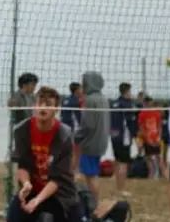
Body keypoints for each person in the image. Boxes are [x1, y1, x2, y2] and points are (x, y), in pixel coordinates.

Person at [9, 86, 80, 222]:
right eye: (39, 103)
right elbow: (23, 165)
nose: (43, 108)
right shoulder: (22, 130)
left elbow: (58, 179)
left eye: (48, 104)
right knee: (14, 214)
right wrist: (26, 184)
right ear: (34, 106)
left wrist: (37, 201)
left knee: (75, 215)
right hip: (32, 189)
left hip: (60, 193)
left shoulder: (64, 135)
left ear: (56, 109)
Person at [73, 71, 109, 204]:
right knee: (92, 174)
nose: (83, 85)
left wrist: (76, 137)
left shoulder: (90, 99)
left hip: (90, 143)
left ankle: (95, 203)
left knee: (91, 176)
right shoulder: (103, 98)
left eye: (85, 82)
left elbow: (87, 124)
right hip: (101, 141)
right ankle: (94, 202)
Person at [110, 82, 136, 196]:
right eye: (130, 91)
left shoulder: (114, 103)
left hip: (114, 135)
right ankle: (120, 190)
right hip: (124, 137)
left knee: (117, 161)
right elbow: (131, 122)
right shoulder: (127, 104)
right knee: (123, 164)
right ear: (127, 91)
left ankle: (117, 187)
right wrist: (135, 136)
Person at [138, 96, 166, 179]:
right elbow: (141, 128)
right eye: (150, 102)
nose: (151, 104)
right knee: (150, 162)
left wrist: (159, 137)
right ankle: (151, 179)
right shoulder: (142, 114)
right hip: (148, 140)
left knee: (159, 160)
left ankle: (164, 178)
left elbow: (159, 126)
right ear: (146, 103)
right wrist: (147, 139)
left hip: (155, 139)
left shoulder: (156, 113)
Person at [60, 82, 82, 172]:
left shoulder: (65, 99)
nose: (82, 91)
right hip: (73, 129)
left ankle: (68, 169)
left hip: (64, 128)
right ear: (76, 90)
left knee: (67, 151)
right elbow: (79, 118)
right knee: (76, 151)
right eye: (81, 89)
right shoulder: (76, 101)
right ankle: (73, 171)